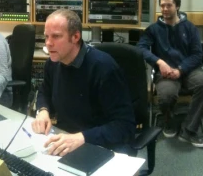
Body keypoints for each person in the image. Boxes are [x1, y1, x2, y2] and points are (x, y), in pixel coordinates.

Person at [32, 9, 135, 155]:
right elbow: (45, 91)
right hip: (66, 137)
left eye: (56, 36)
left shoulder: (104, 68)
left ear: (75, 37)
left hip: (101, 144)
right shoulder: (53, 63)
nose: (48, 43)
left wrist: (82, 138)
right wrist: (43, 111)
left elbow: (124, 126)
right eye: (46, 37)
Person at [137, 0, 203, 147]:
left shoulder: (190, 28)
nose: (164, 9)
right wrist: (159, 62)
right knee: (166, 96)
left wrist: (181, 69)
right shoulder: (154, 29)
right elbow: (141, 48)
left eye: (168, 5)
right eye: (162, 6)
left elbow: (197, 54)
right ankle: (168, 121)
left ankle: (189, 130)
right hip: (165, 73)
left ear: (177, 6)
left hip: (189, 70)